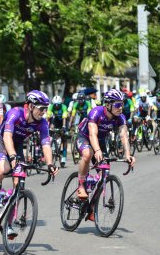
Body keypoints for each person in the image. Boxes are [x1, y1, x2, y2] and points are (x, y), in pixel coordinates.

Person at [0, 90, 59, 237]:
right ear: (31, 107)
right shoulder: (15, 113)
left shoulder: (42, 123)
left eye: (45, 109)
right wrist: (13, 156)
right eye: (41, 108)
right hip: (1, 141)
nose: (43, 112)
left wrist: (50, 163)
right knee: (4, 169)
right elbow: (7, 136)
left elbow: (46, 143)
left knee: (19, 182)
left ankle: (8, 224)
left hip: (17, 145)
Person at [75, 89, 135, 221]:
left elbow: (124, 135)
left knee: (104, 174)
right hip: (84, 137)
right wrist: (96, 151)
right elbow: (92, 134)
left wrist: (128, 154)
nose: (121, 108)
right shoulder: (96, 112)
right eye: (118, 105)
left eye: (122, 104)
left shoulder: (120, 117)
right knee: (87, 154)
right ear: (108, 104)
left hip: (101, 141)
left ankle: (91, 207)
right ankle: (81, 185)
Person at [47, 95, 69, 167]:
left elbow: (64, 118)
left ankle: (64, 157)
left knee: (64, 139)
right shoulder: (51, 106)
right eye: (55, 105)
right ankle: (53, 146)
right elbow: (48, 116)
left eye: (58, 105)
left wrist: (63, 127)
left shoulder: (64, 107)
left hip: (63, 121)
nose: (56, 106)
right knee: (51, 128)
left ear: (60, 104)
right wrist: (48, 126)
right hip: (55, 121)